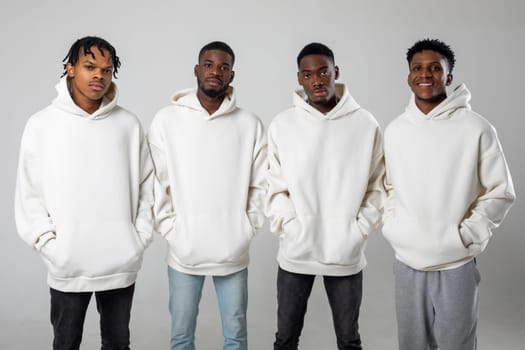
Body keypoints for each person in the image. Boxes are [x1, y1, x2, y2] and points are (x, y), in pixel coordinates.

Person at [14, 36, 154, 350]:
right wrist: (51, 247)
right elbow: (29, 194)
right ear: (70, 68)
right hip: (68, 264)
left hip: (119, 262)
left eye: (106, 70)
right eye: (90, 67)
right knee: (65, 344)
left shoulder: (128, 125)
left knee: (118, 343)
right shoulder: (42, 125)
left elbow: (148, 186)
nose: (98, 76)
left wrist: (138, 238)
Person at [382, 38, 516, 350]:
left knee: (458, 345)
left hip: (455, 262)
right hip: (406, 261)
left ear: (448, 76)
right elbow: (386, 187)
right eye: (417, 68)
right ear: (409, 76)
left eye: (434, 68)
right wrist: (394, 226)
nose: (425, 74)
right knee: (412, 345)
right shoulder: (395, 130)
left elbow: (500, 191)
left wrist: (466, 235)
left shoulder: (476, 128)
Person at [265, 42, 385, 350]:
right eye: (308, 74)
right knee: (285, 339)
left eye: (323, 72)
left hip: (346, 252)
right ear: (299, 78)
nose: (317, 80)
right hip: (296, 251)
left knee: (349, 339)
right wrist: (291, 226)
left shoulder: (365, 124)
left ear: (336, 73)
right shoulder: (283, 124)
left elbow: (378, 185)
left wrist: (358, 230)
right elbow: (274, 186)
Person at [148, 41, 266, 350]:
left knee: (236, 336)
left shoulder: (249, 124)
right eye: (209, 64)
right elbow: (156, 183)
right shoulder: (166, 121)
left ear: (232, 75)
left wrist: (246, 228)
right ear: (197, 69)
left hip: (233, 250)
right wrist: (172, 231)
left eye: (223, 67)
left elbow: (261, 184)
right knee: (182, 336)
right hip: (184, 251)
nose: (216, 71)